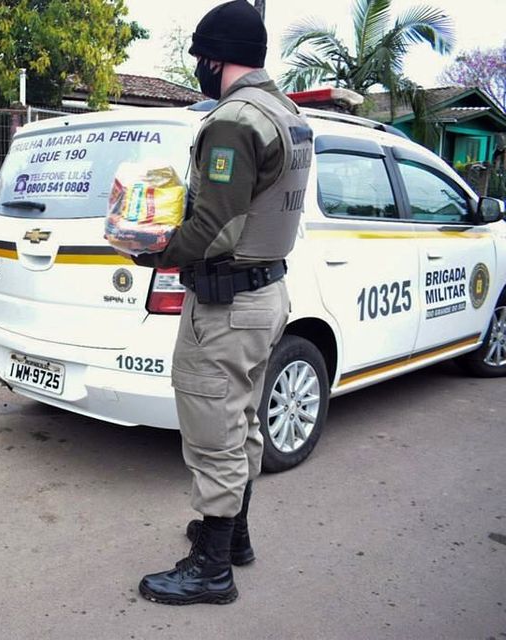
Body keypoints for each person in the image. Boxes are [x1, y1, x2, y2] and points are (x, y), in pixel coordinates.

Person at [133, 0, 313, 605]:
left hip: (227, 305)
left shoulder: (235, 120)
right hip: (267, 295)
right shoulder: (285, 113)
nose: (199, 72)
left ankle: (211, 568)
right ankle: (233, 536)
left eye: (200, 61)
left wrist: (152, 248)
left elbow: (215, 224)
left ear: (214, 58)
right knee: (243, 421)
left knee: (213, 429)